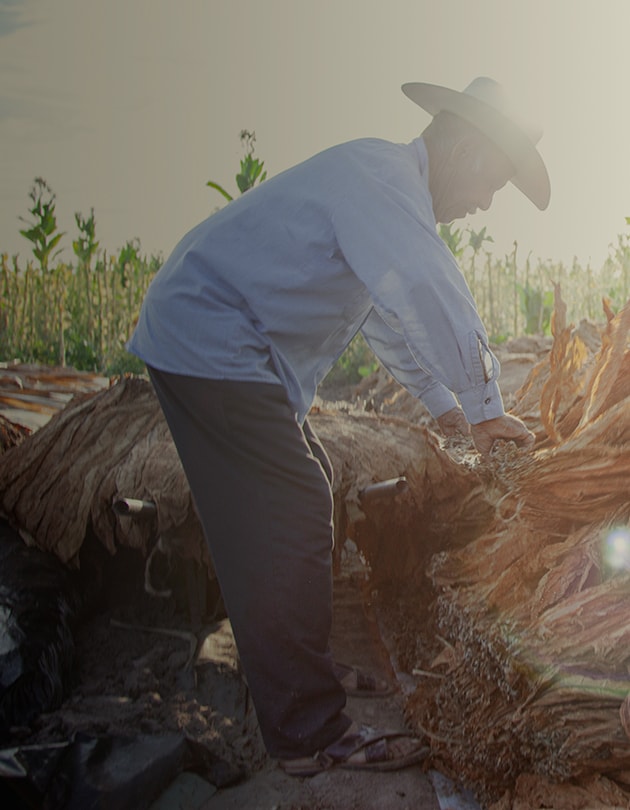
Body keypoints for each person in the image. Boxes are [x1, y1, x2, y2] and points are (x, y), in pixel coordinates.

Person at [127, 77, 549, 775]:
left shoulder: (378, 187)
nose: (482, 204)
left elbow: (384, 315)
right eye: (493, 185)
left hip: (215, 342)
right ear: (470, 150)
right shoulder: (384, 181)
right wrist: (485, 407)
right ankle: (308, 733)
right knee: (289, 508)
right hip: (209, 337)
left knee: (307, 489)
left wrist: (442, 402)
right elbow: (423, 284)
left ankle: (302, 673)